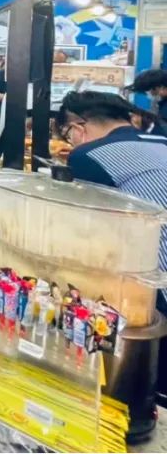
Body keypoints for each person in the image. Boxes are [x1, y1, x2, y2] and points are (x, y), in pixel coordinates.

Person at [57, 91, 167, 406]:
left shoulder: (88, 155)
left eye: (68, 136)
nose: (71, 144)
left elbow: (90, 234)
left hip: (157, 285)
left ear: (78, 127)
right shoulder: (161, 141)